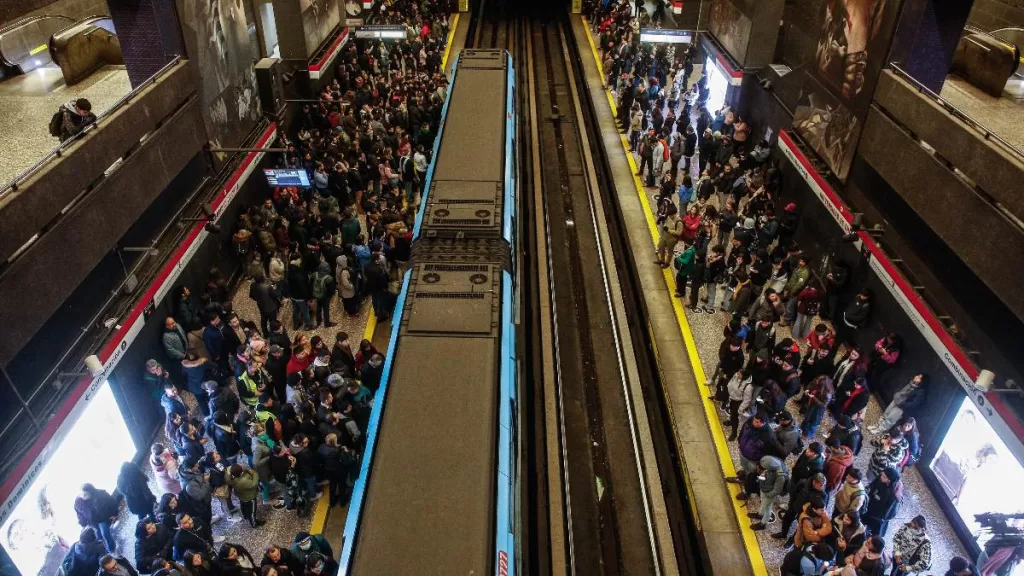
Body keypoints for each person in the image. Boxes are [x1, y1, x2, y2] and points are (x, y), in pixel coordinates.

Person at [74, 484, 120, 552]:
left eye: (85, 494)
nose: (83, 497)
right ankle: (104, 548)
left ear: (91, 492)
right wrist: (83, 524)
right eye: (81, 494)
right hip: (92, 522)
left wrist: (115, 514)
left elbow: (112, 503)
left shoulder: (102, 494)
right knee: (98, 536)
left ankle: (111, 549)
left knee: (105, 534)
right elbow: (79, 514)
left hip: (103, 519)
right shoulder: (78, 502)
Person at [748, 455, 788, 530]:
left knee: (767, 508)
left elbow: (777, 490)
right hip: (764, 489)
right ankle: (760, 514)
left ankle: (763, 524)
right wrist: (760, 478)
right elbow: (767, 475)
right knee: (763, 503)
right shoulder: (772, 467)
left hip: (769, 493)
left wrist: (768, 494)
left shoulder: (780, 476)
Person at [862, 466, 903, 537]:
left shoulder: (893, 495)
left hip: (878, 516)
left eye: (884, 477)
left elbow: (887, 512)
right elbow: (872, 486)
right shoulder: (880, 479)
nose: (881, 477)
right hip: (870, 506)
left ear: (889, 480)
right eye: (882, 474)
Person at [226, 464, 264, 528]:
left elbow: (228, 477)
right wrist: (255, 473)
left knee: (244, 506)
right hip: (250, 497)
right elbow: (254, 484)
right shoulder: (243, 481)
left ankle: (246, 516)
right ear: (241, 471)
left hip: (241, 496)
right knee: (252, 511)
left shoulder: (231, 478)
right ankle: (254, 523)